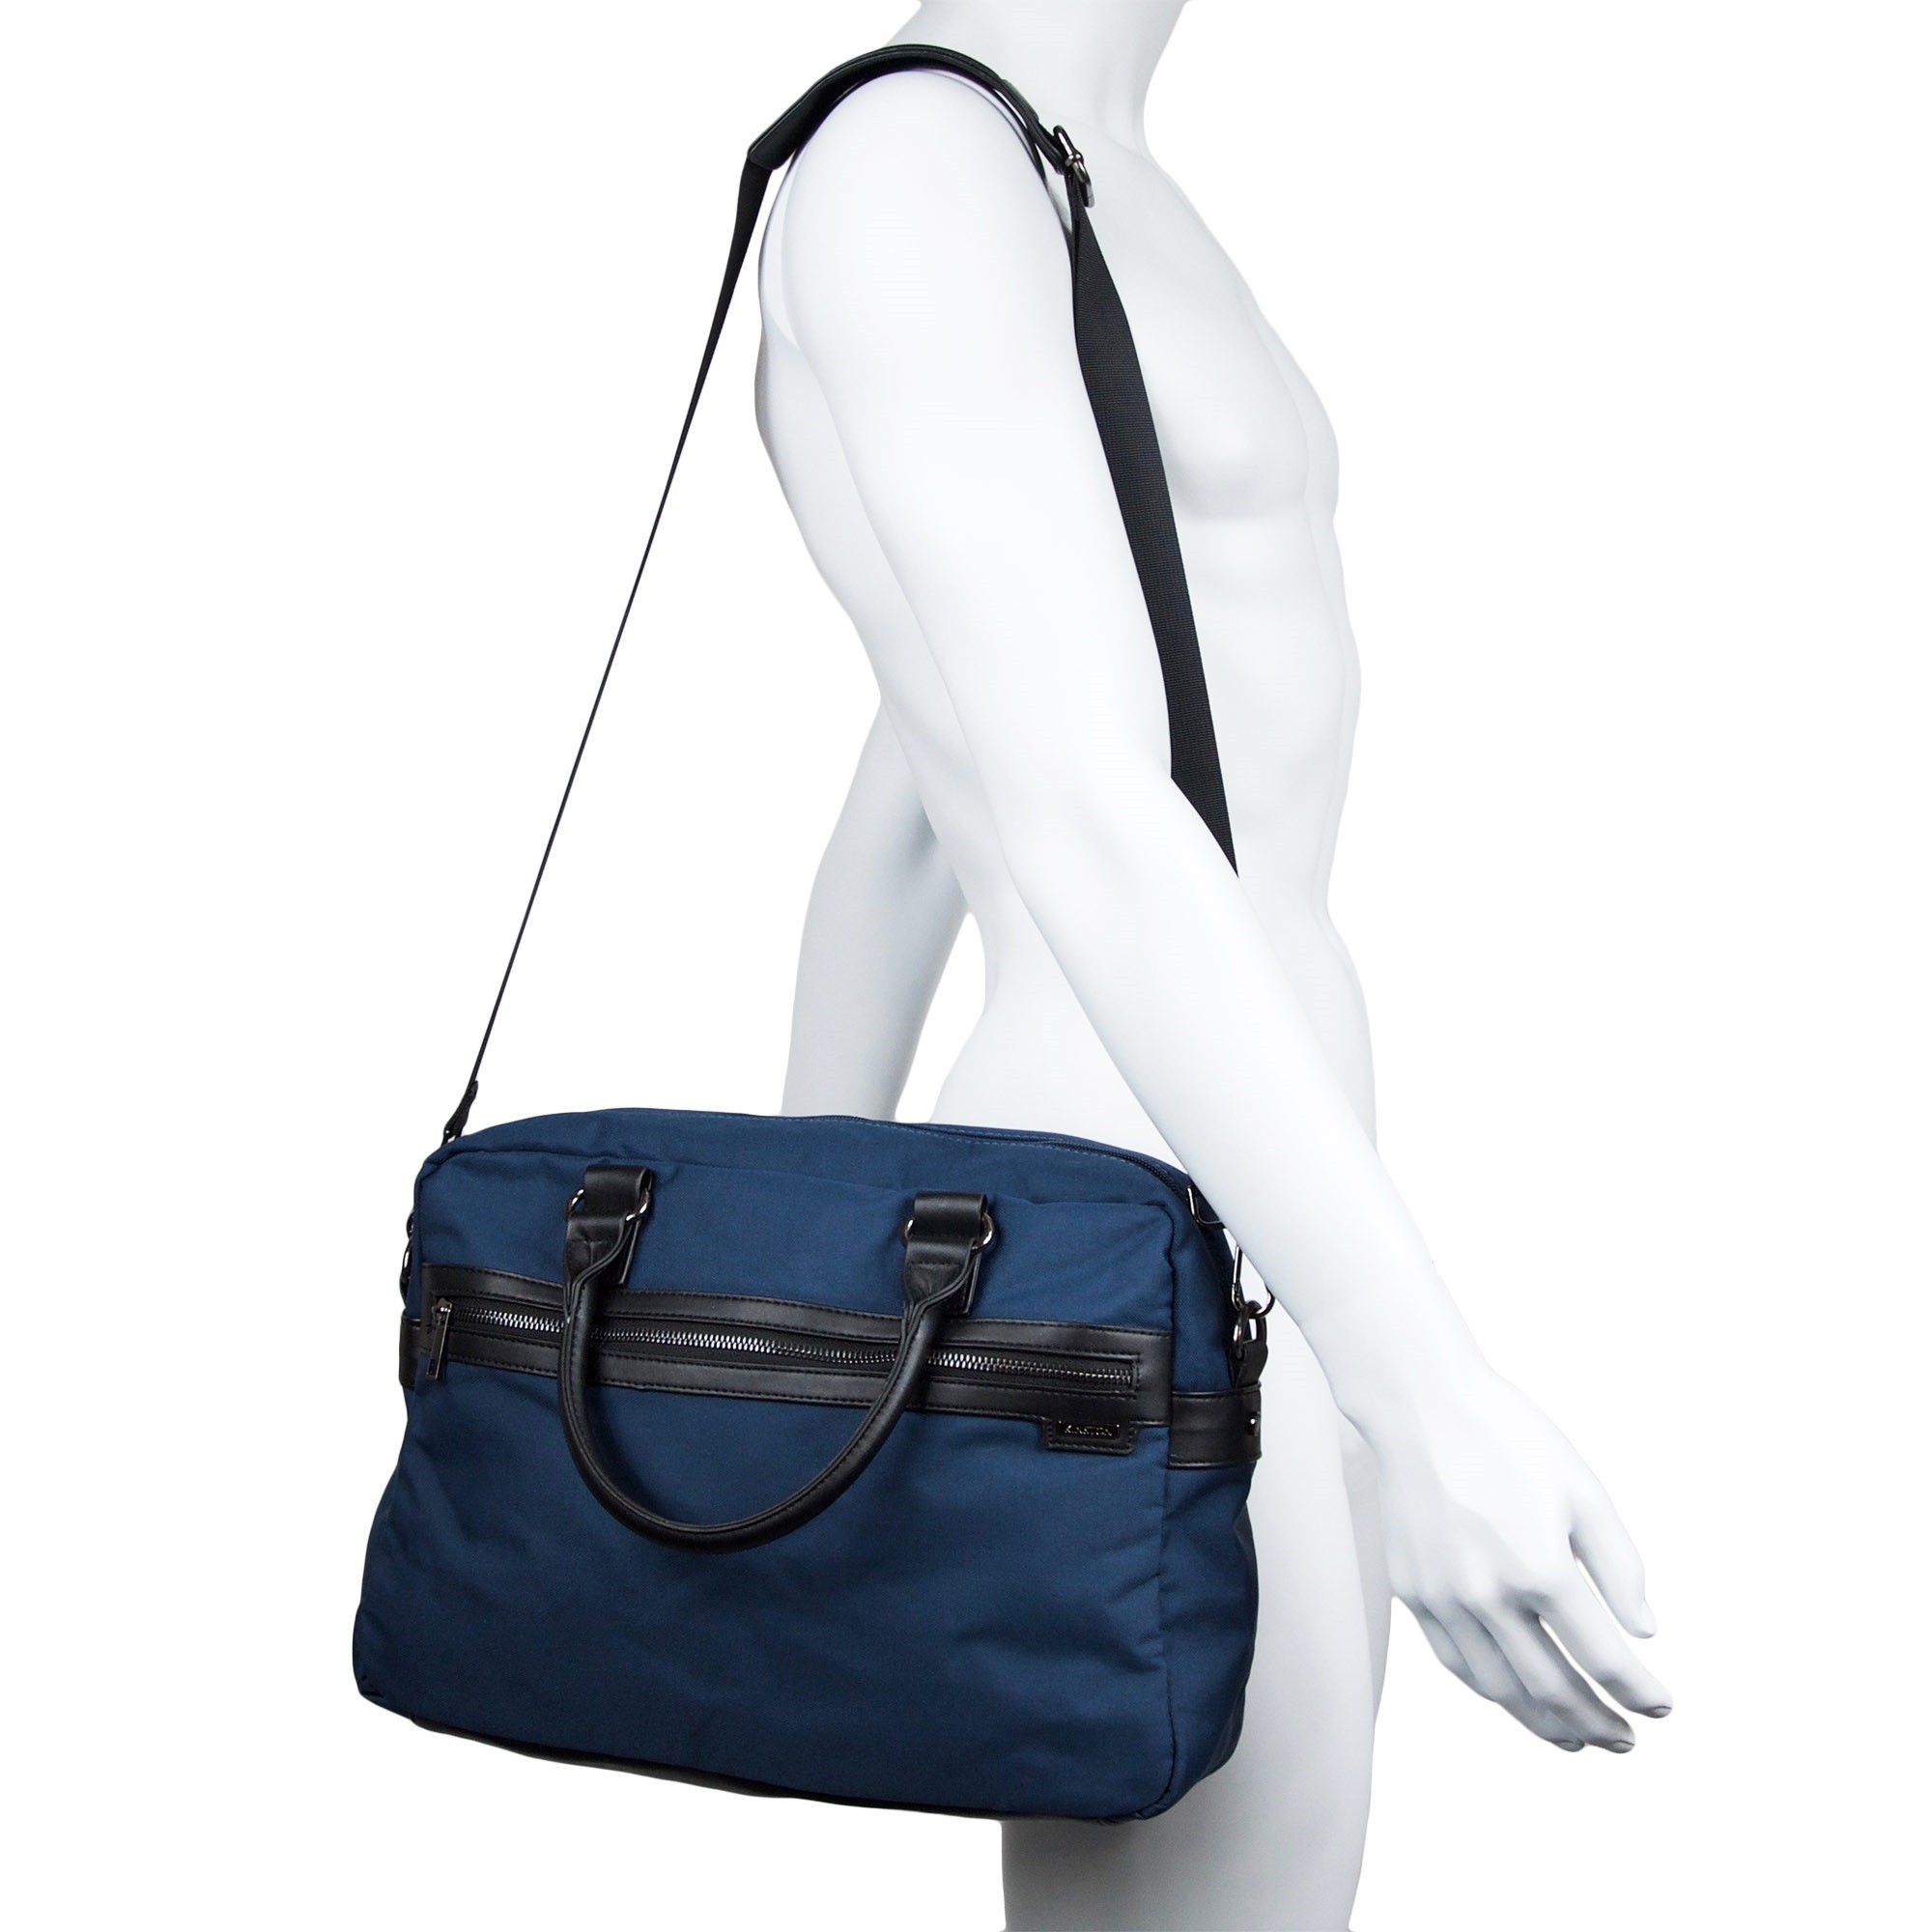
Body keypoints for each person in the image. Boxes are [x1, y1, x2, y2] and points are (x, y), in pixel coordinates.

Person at [754, 4, 1670, 1923]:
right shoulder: (915, 168)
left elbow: (910, 790)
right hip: (1117, 1176)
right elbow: (1082, 806)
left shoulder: (1082, 164)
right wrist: (1426, 1385)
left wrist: (806, 1235)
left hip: (1271, 1162)